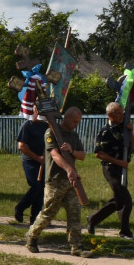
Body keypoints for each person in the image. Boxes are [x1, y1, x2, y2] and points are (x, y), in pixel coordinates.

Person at [26, 106, 91, 256]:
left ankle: (77, 246)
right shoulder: (51, 133)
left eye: (78, 121)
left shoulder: (73, 136)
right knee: (48, 213)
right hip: (55, 181)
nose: (76, 124)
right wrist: (69, 170)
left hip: (70, 182)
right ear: (66, 117)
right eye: (74, 121)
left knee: (75, 214)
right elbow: (55, 155)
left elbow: (82, 155)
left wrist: (72, 151)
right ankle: (32, 237)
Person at [88, 102, 134, 239]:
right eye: (119, 113)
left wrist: (130, 132)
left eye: (122, 113)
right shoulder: (105, 131)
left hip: (122, 168)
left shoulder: (123, 128)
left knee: (118, 199)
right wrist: (117, 161)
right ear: (110, 115)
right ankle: (125, 231)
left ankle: (93, 219)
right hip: (110, 168)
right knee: (126, 200)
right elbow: (98, 153)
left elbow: (131, 145)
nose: (122, 116)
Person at [14, 109, 50, 224]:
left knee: (42, 189)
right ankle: (20, 207)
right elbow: (22, 146)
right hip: (30, 161)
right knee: (36, 186)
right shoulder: (27, 125)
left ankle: (35, 218)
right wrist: (38, 158)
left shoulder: (46, 126)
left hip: (43, 162)